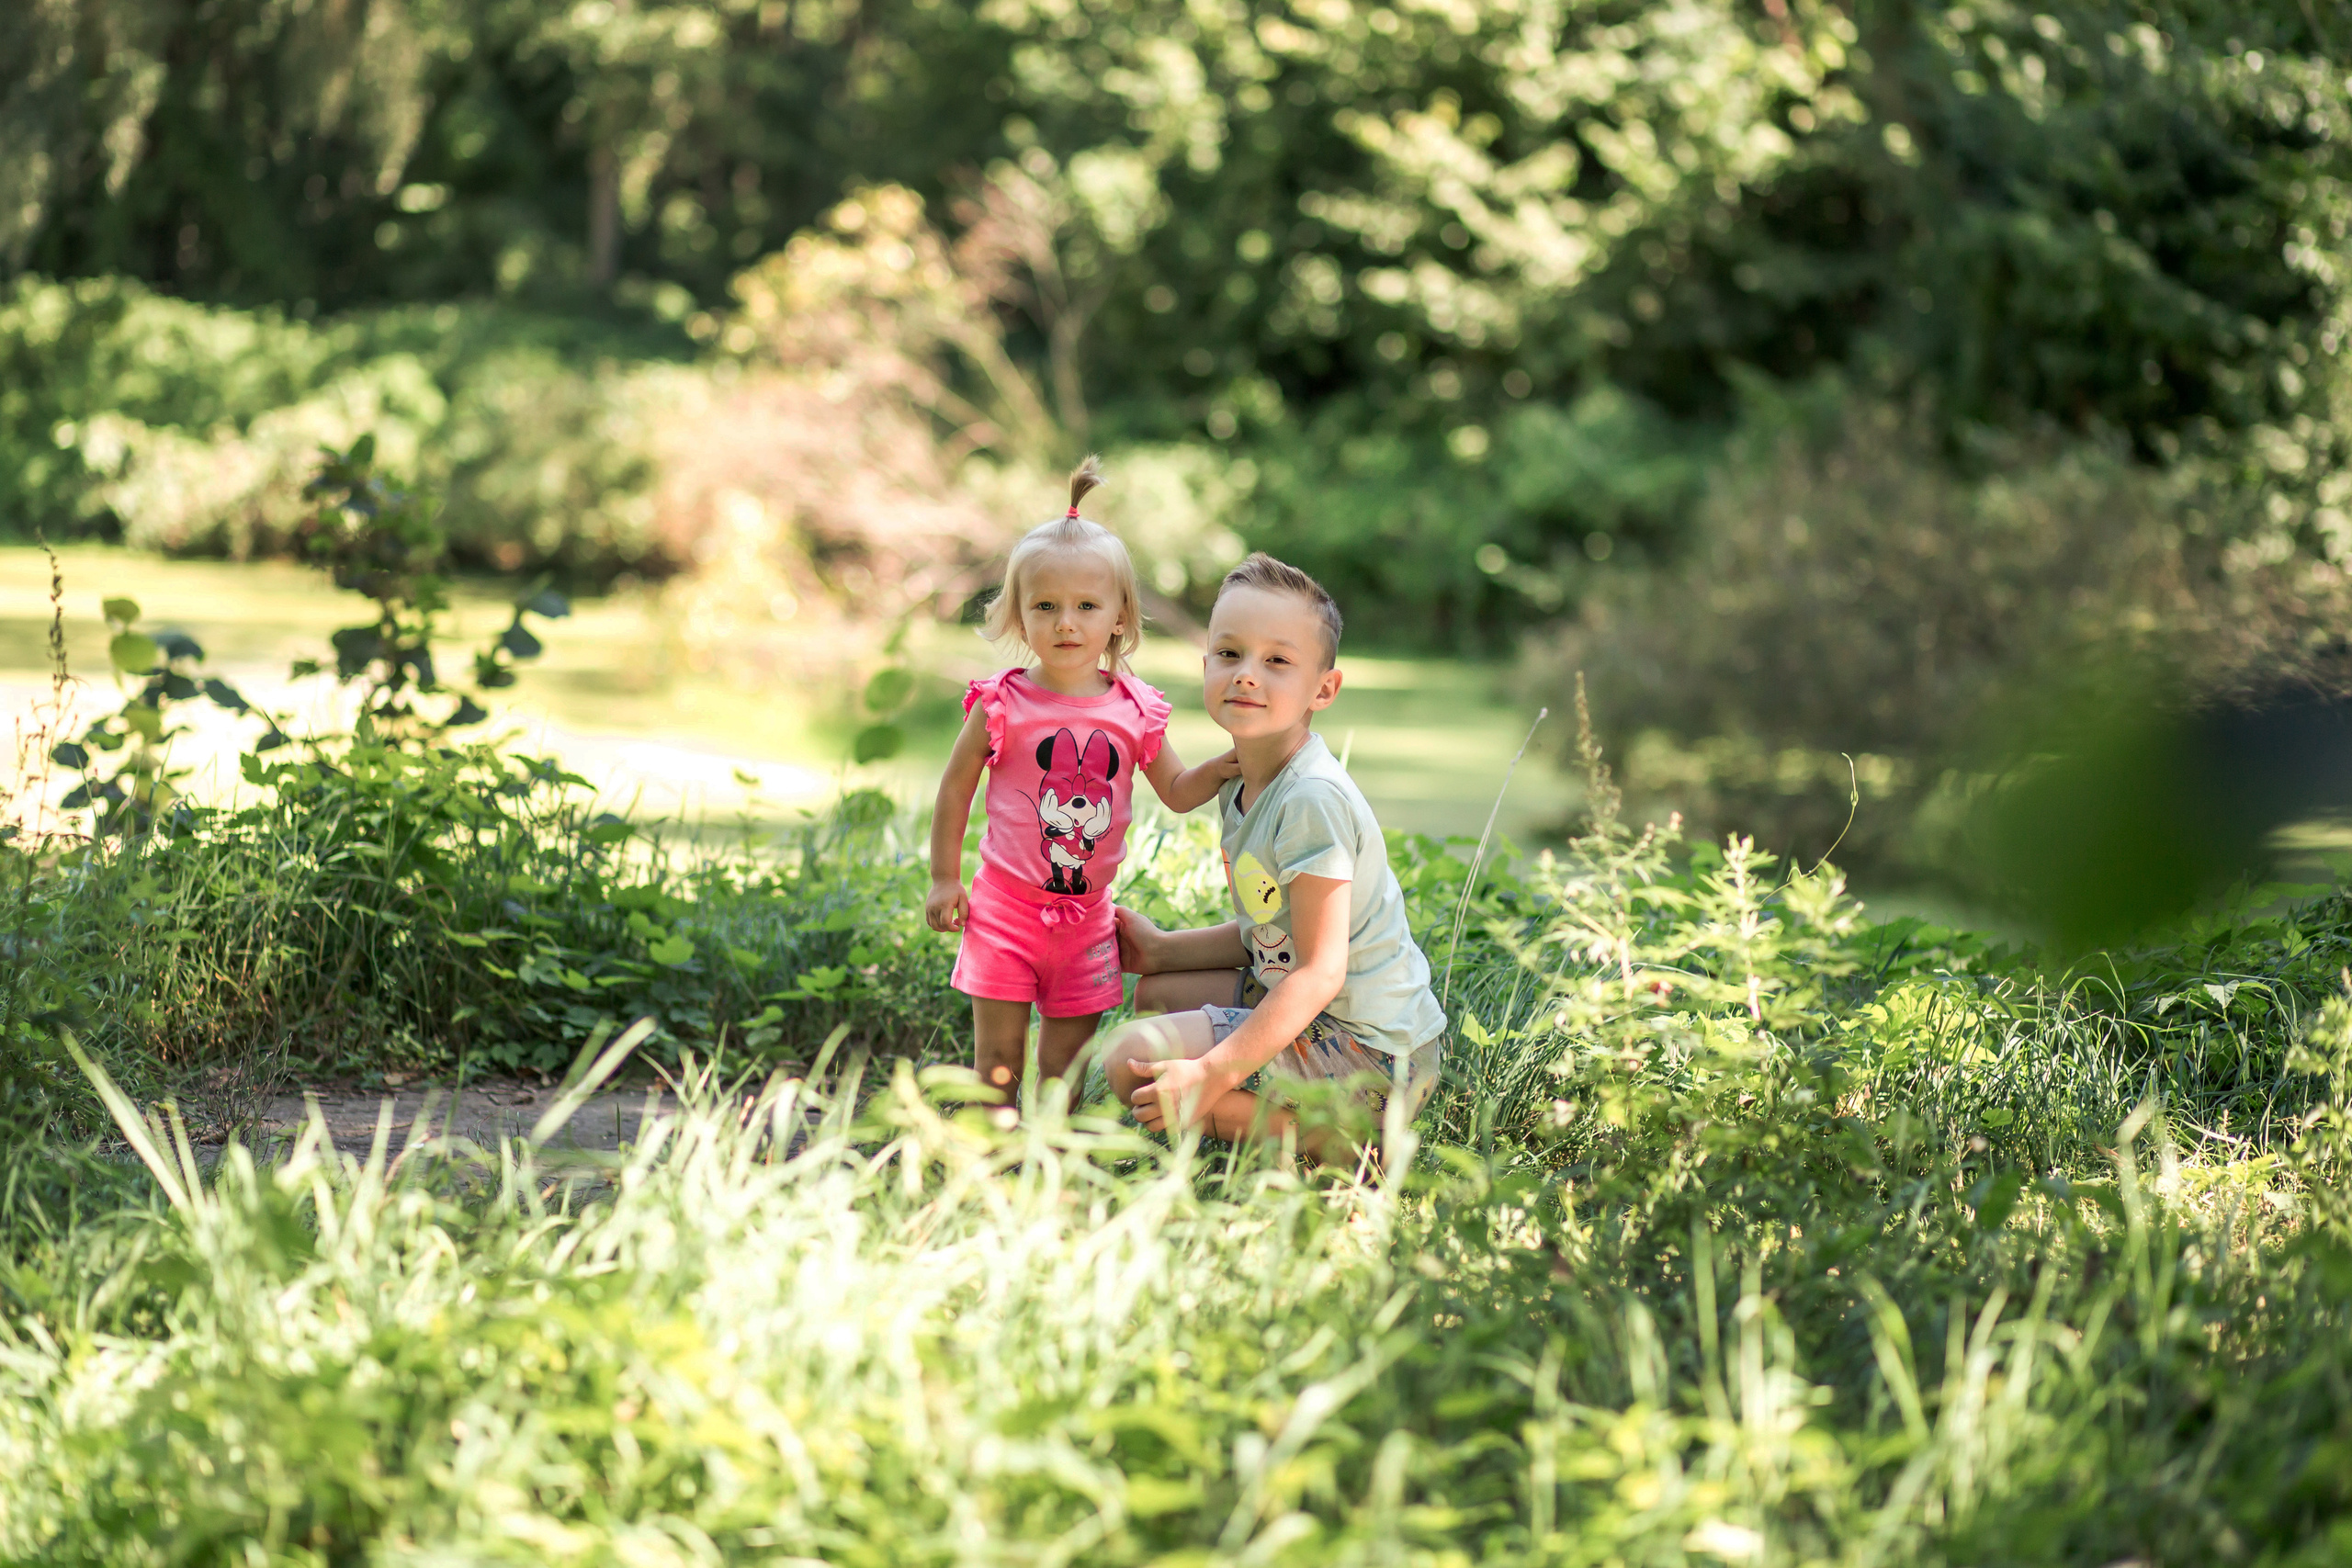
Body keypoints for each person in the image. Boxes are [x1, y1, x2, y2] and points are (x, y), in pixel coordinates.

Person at [1100, 553, 1446, 1161]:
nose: (1247, 675)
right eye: (1229, 654)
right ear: (1204, 662)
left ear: (1324, 689)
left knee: (1130, 1061)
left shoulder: (1311, 798)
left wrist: (1210, 1073)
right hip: (1317, 1017)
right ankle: (1249, 1111)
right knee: (1154, 993)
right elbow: (1273, 930)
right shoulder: (1240, 780)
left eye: (1277, 661)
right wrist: (1161, 949)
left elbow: (1319, 971)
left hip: (1372, 1055)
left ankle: (1349, 1144)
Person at [927, 457, 1239, 1100]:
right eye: (1046, 606)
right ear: (1019, 614)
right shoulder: (1000, 705)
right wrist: (944, 877)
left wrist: (1224, 766)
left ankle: (1056, 1165)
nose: (1066, 622)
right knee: (999, 1063)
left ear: (1119, 615)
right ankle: (994, 1163)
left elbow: (1178, 792)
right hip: (1003, 913)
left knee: (1064, 1069)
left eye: (1086, 605)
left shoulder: (1135, 709)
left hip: (1088, 922)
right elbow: (956, 790)